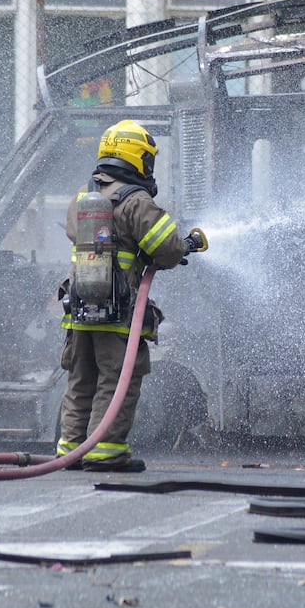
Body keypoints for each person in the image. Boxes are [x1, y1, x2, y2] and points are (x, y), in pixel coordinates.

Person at [56, 119, 194, 472]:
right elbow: (168, 248)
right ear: (137, 158)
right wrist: (186, 245)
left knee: (81, 378)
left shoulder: (83, 195)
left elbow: (75, 233)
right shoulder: (136, 200)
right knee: (116, 379)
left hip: (79, 308)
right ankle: (106, 451)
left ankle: (70, 449)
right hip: (117, 313)